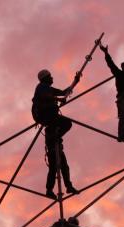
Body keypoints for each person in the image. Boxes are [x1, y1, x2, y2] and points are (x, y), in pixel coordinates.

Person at [32, 69, 80, 198]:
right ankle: (51, 189)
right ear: (45, 78)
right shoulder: (42, 87)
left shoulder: (48, 89)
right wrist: (58, 99)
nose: (52, 78)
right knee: (67, 123)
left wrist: (75, 82)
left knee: (63, 166)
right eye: (50, 76)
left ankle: (67, 186)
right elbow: (45, 97)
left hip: (55, 139)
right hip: (45, 117)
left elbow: (64, 92)